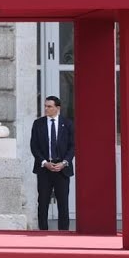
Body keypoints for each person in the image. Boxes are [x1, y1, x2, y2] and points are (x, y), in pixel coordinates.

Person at [30, 95, 75, 230]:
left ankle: (63, 233)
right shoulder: (38, 123)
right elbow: (34, 146)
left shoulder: (67, 124)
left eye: (49, 106)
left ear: (57, 108)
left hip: (62, 169)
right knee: (42, 202)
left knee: (63, 203)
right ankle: (42, 232)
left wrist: (64, 162)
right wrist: (44, 162)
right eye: (45, 106)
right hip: (45, 169)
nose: (46, 109)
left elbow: (73, 146)